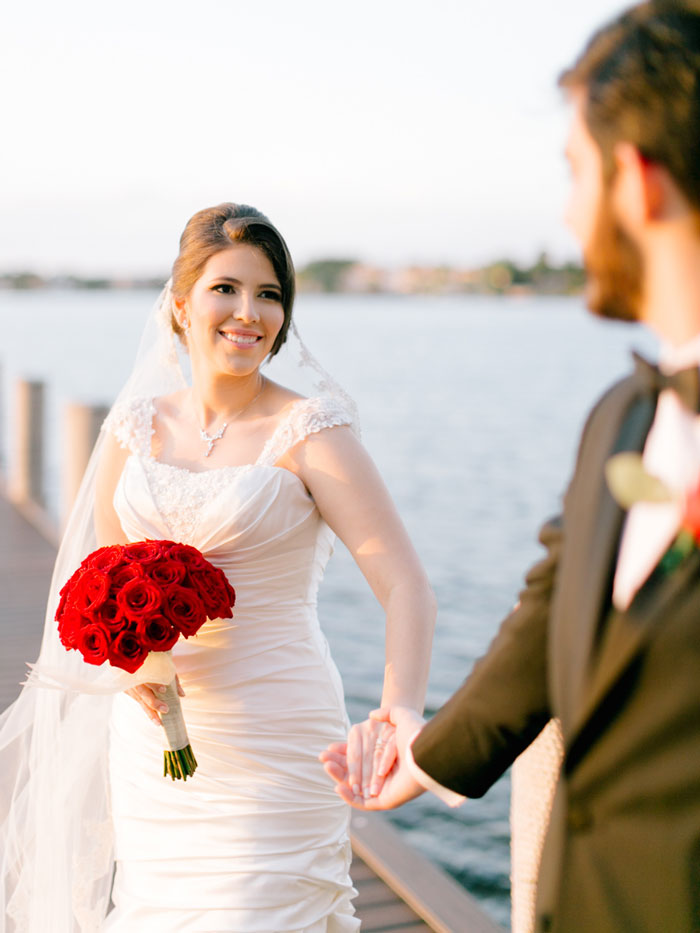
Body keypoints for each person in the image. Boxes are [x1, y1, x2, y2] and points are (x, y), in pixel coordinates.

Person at [322, 3, 700, 931]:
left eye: (575, 172)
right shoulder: (620, 418)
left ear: (636, 179)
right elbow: (554, 606)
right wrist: (426, 753)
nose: (567, 212)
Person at [0, 203, 436, 932]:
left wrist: (401, 712)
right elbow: (105, 571)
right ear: (180, 305)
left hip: (278, 735)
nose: (248, 312)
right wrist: (134, 663)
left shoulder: (311, 432)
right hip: (155, 746)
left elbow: (406, 585)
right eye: (226, 288)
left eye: (270, 295)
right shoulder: (135, 424)